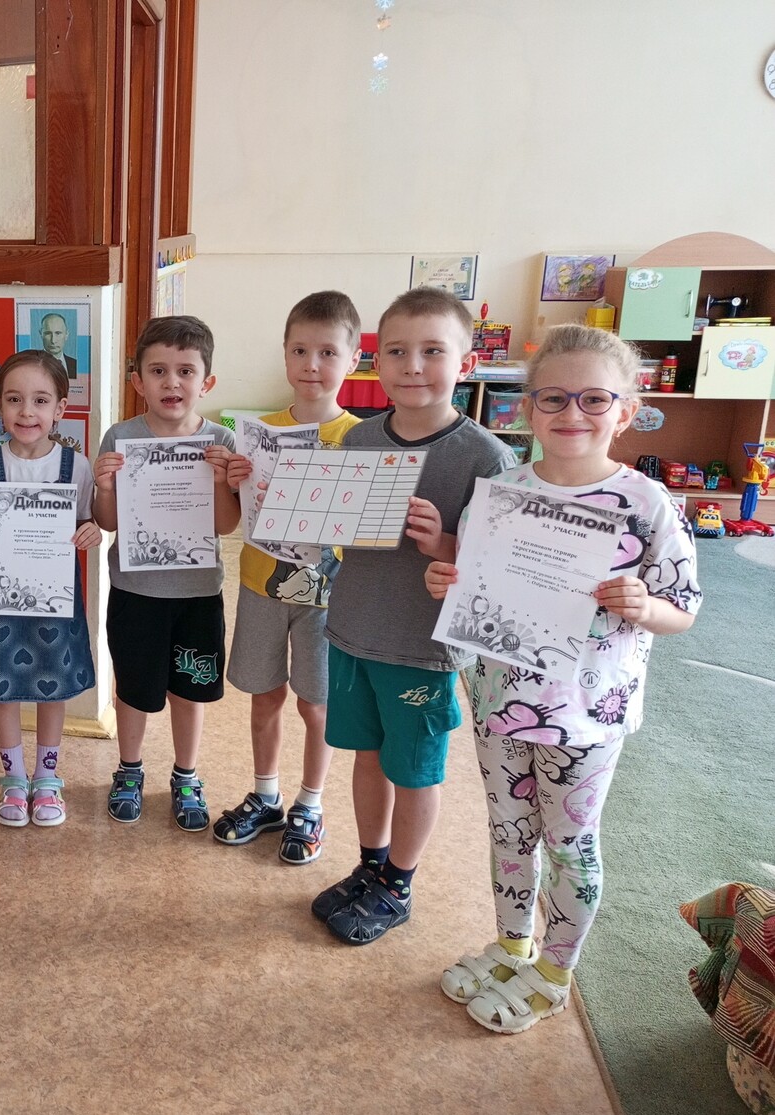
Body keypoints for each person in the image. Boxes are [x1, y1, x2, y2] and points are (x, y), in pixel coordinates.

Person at [425, 324, 699, 1032]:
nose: (572, 412)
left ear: (625, 410)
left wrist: (644, 605)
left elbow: (683, 610)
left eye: (593, 399)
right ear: (528, 408)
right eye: (553, 397)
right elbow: (475, 583)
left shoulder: (646, 502)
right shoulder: (500, 492)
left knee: (570, 844)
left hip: (585, 714)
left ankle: (555, 970)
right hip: (500, 700)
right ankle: (513, 945)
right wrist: (448, 582)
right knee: (509, 831)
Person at [312, 287, 516, 945]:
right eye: (397, 351)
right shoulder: (360, 438)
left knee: (415, 769)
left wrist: (444, 543)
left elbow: (504, 574)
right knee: (366, 757)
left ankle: (399, 883)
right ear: (377, 361)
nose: (413, 365)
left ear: (467, 362)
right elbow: (335, 531)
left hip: (422, 648)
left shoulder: (486, 457)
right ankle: (371, 866)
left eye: (433, 350)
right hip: (353, 630)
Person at [216, 291, 363, 863]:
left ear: (353, 359)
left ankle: (311, 803)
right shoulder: (256, 433)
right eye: (299, 350)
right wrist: (233, 479)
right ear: (284, 354)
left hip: (330, 598)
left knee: (316, 704)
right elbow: (237, 516)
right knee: (265, 695)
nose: (311, 364)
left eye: (328, 352)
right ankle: (266, 794)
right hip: (260, 585)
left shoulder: (362, 439)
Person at [92, 315, 242, 830]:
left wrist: (221, 481)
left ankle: (186, 775)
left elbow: (225, 525)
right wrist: (105, 488)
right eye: (158, 371)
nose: (171, 382)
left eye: (185, 371)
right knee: (134, 687)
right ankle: (129, 769)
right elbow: (108, 522)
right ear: (138, 381)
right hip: (136, 589)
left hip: (198, 591)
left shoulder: (221, 440)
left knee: (191, 686)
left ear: (207, 382)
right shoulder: (121, 436)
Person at [0, 350, 100, 826]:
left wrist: (93, 531)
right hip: (4, 597)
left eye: (40, 400)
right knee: (4, 685)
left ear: (60, 409)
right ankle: (14, 779)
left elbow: (88, 521)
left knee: (53, 685)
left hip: (56, 596)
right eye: (14, 399)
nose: (27, 411)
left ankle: (47, 778)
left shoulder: (77, 466)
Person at [39, 312, 79, 378]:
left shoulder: (76, 364)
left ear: (66, 335)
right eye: (48, 333)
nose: (53, 341)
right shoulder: (31, 364)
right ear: (41, 334)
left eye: (58, 333)